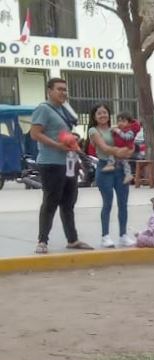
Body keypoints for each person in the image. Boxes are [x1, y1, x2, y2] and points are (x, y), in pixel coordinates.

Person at [30, 77, 93, 254]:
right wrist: (57, 146)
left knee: (68, 202)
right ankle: (42, 241)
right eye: (59, 89)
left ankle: (72, 239)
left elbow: (61, 133)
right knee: (50, 202)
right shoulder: (43, 109)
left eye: (65, 89)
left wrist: (73, 140)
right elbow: (35, 134)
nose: (63, 92)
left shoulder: (64, 109)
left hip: (69, 162)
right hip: (51, 162)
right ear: (49, 91)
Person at [87, 103, 135, 248]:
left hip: (121, 169)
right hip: (105, 168)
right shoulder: (93, 131)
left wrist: (129, 151)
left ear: (109, 114)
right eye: (99, 113)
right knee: (107, 203)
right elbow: (104, 148)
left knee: (123, 203)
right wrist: (119, 151)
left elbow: (129, 142)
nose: (103, 115)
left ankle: (123, 235)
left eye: (105, 112)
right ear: (94, 116)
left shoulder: (115, 129)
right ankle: (105, 236)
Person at [105, 111, 141, 185]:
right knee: (124, 162)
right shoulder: (120, 129)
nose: (120, 123)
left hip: (127, 148)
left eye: (123, 121)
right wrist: (111, 130)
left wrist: (118, 132)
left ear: (129, 123)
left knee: (121, 160)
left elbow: (127, 137)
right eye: (119, 121)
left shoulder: (130, 130)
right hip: (120, 148)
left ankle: (111, 165)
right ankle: (128, 175)